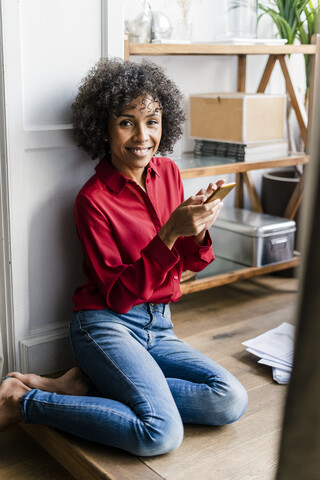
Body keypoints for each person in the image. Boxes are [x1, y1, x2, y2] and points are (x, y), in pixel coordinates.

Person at [0, 58, 247, 456]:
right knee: (161, 433)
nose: (142, 135)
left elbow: (193, 263)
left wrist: (197, 227)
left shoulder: (168, 173)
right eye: (126, 121)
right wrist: (169, 232)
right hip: (105, 326)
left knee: (230, 399)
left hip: (160, 327)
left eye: (152, 120)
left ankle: (88, 384)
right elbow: (118, 296)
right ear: (104, 127)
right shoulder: (92, 200)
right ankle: (19, 400)